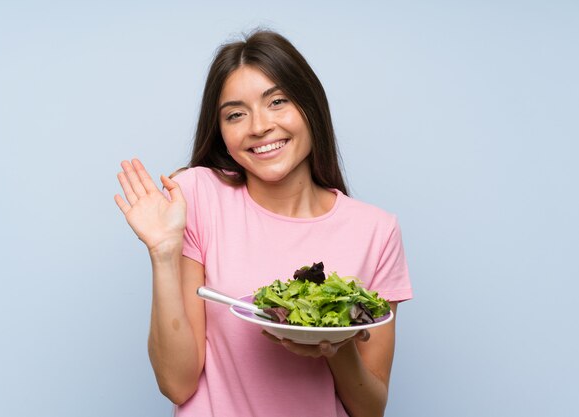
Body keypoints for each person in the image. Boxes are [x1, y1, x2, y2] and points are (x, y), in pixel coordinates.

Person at [114, 29, 412, 417]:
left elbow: (370, 409)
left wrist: (335, 345)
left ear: (310, 107)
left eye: (277, 102)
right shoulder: (199, 196)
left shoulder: (376, 231)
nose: (258, 126)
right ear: (221, 131)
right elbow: (177, 383)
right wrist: (163, 254)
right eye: (236, 114)